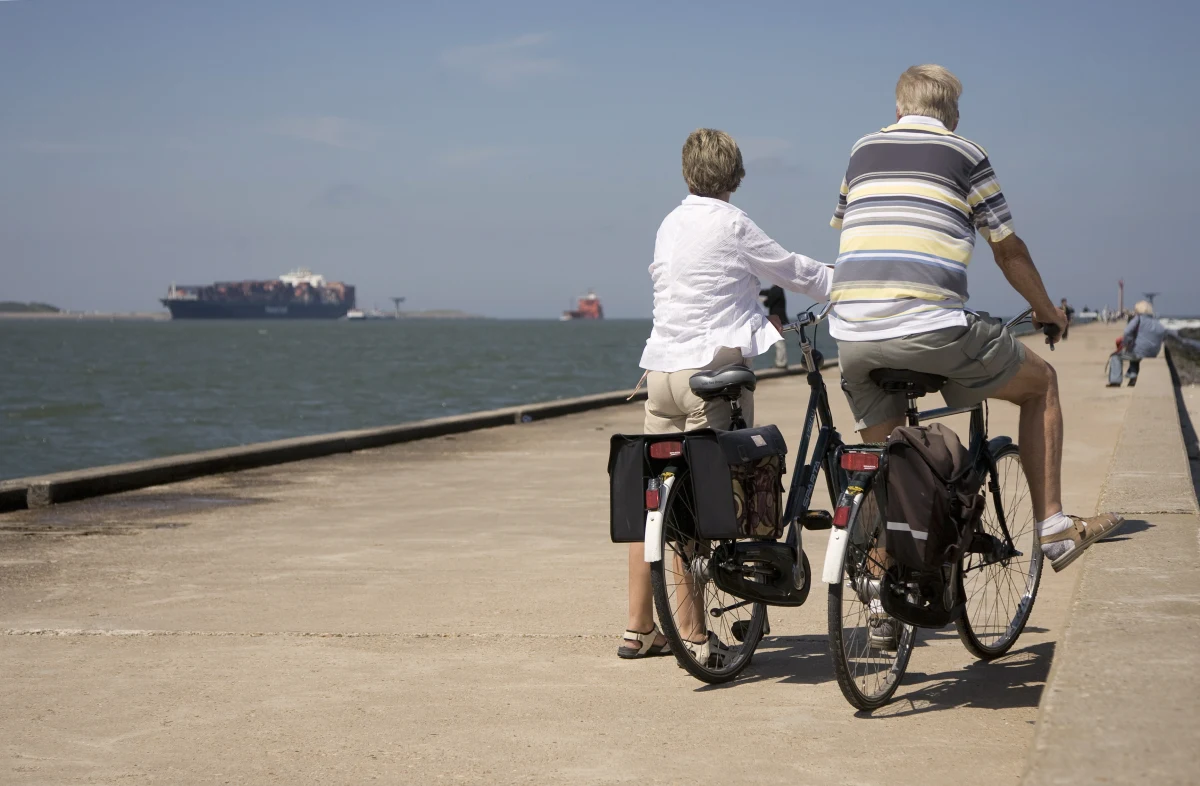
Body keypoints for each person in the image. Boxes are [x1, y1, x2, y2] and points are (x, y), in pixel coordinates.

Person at [828, 65, 1125, 647]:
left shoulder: (862, 149)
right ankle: (1057, 527)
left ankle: (884, 595)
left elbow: (853, 228)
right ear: (951, 115)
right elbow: (1007, 249)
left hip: (854, 337)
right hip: (932, 327)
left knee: (887, 460)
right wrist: (1047, 310)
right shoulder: (967, 152)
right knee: (1041, 383)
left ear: (897, 110)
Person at [620, 128, 831, 660]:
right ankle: (693, 637)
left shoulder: (670, 223)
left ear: (688, 171)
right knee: (699, 509)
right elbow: (792, 271)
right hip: (708, 381)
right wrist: (850, 282)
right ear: (734, 174)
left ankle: (639, 628)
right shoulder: (732, 223)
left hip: (660, 375)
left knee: (655, 506)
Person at [1121, 300, 1166, 387]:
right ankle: (1133, 375)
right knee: (1135, 354)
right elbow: (1163, 333)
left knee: (1117, 357)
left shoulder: (1138, 318)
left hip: (1138, 354)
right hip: (1153, 353)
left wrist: (1126, 342)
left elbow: (1127, 332)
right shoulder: (1156, 322)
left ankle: (1123, 378)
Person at [759, 285, 790, 367]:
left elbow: (768, 303)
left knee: (779, 344)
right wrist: (757, 291)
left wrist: (763, 300)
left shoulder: (776, 290)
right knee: (780, 343)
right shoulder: (778, 289)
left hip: (778, 321)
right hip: (781, 321)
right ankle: (781, 362)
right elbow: (767, 292)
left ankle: (781, 363)